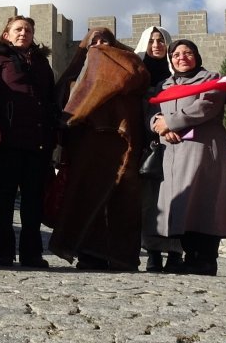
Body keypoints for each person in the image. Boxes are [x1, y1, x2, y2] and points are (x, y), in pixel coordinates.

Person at [49, 27, 149, 270]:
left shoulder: (129, 68)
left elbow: (134, 85)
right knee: (85, 195)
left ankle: (121, 256)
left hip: (120, 144)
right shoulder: (75, 76)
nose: (101, 45)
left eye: (106, 40)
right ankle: (89, 253)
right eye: (94, 41)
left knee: (123, 198)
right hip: (86, 144)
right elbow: (63, 106)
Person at [142, 39, 226, 275]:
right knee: (184, 207)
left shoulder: (210, 78)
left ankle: (206, 258)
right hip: (173, 153)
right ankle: (190, 256)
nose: (182, 57)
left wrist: (171, 122)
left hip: (203, 151)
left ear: (197, 56)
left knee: (203, 203)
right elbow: (153, 112)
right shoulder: (165, 84)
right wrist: (160, 126)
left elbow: (206, 106)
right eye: (176, 54)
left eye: (188, 53)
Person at [0, 15, 57, 268]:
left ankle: (32, 253)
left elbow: (51, 99)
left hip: (37, 140)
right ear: (6, 34)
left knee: (33, 198)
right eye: (18, 29)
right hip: (7, 138)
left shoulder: (41, 62)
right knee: (5, 197)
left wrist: (52, 135)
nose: (24, 33)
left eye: (28, 30)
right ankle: (3, 252)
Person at [133, 25, 182, 273]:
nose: (156, 45)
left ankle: (174, 251)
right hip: (142, 144)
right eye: (152, 41)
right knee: (149, 202)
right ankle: (152, 252)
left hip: (173, 141)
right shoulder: (135, 74)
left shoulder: (177, 76)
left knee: (174, 197)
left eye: (161, 40)